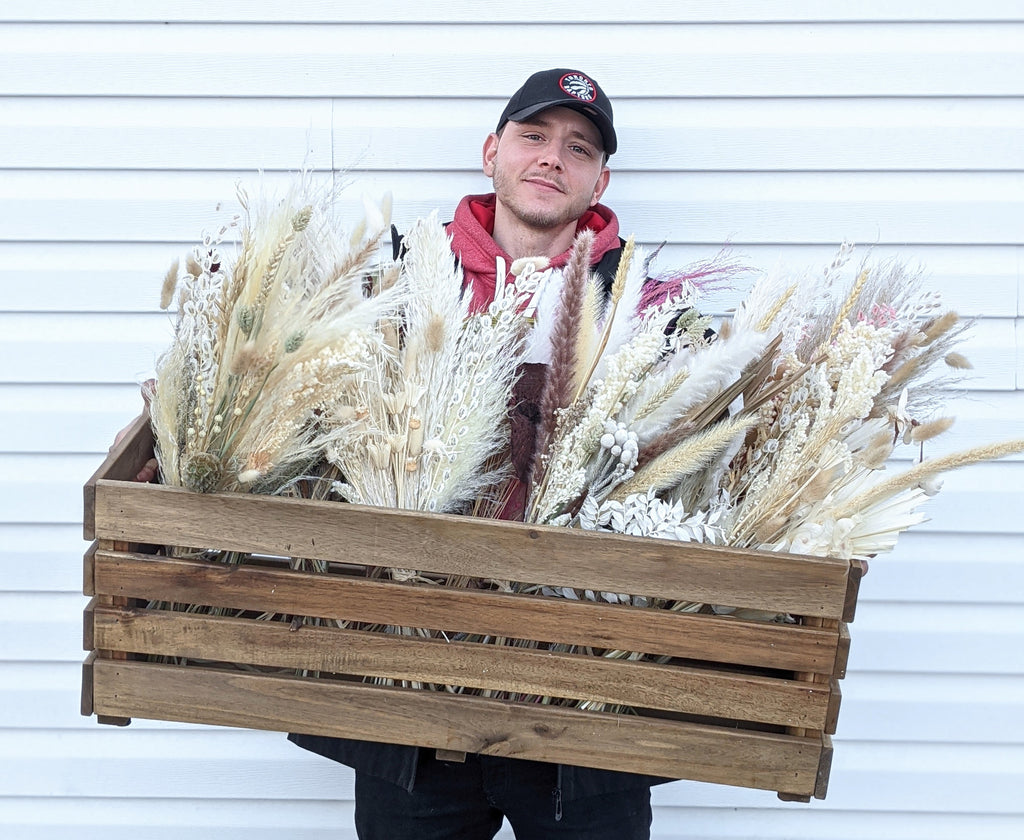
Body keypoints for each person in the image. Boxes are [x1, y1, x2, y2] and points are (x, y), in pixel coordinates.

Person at [287, 69, 663, 840]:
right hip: (411, 699)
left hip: (577, 708)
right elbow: (305, 400)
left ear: (601, 179)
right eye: (534, 136)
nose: (552, 157)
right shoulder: (396, 277)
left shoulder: (649, 307)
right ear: (493, 151)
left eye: (578, 147)